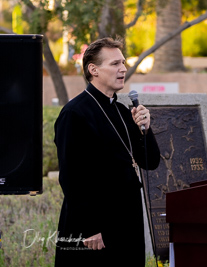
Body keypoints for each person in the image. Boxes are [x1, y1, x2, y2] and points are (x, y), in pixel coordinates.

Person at [54, 37, 160, 266]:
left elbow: (149, 162)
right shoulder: (75, 113)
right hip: (94, 227)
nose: (123, 69)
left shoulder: (122, 111)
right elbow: (71, 178)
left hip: (126, 220)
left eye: (123, 63)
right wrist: (89, 228)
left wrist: (146, 130)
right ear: (94, 69)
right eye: (114, 64)